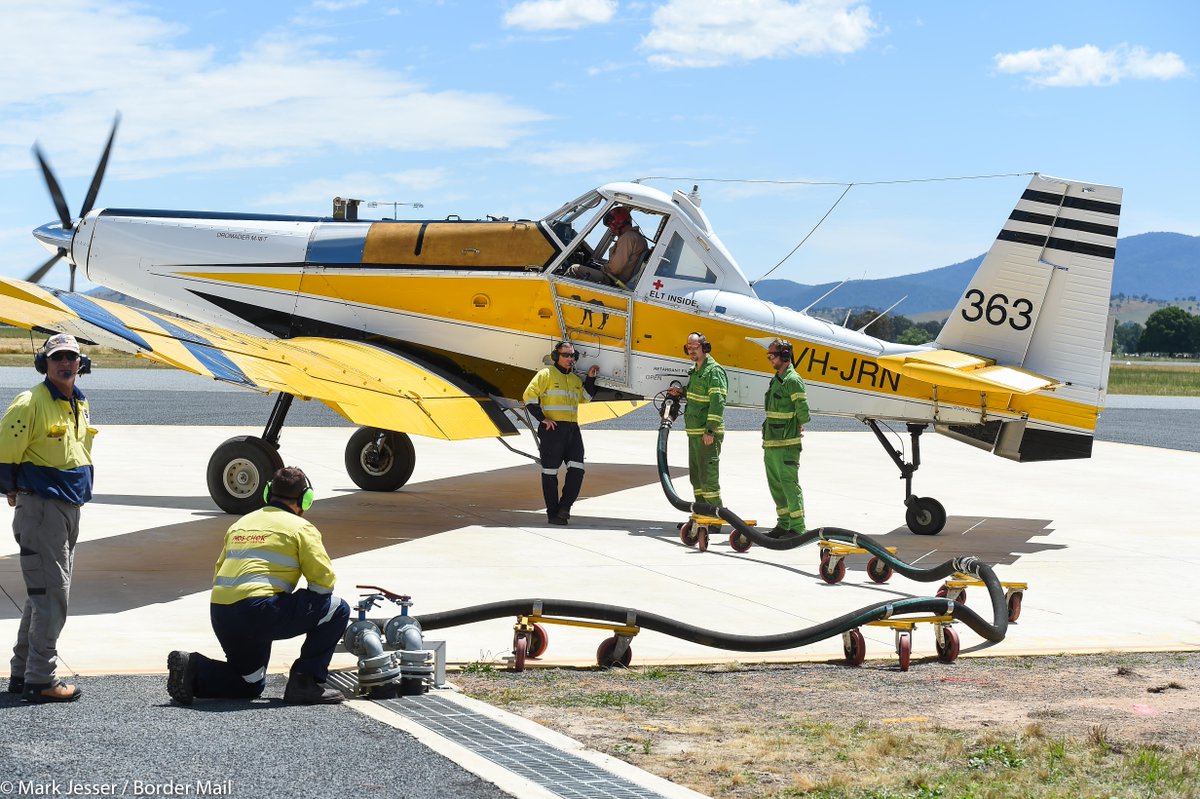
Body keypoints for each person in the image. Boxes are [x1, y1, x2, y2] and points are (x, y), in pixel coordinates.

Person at [166, 466, 351, 706]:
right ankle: (305, 682)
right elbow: (324, 582)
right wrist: (299, 609)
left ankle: (194, 669)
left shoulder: (241, 524)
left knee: (249, 684)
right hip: (260, 610)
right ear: (306, 499)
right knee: (337, 609)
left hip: (222, 612)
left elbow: (219, 568)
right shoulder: (301, 528)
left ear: (267, 493)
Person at [2, 333, 95, 703]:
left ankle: (23, 670)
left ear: (81, 363)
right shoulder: (30, 402)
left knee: (42, 594)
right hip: (42, 508)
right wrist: (12, 487)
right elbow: (4, 452)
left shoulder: (79, 402)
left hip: (69, 507)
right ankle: (42, 679)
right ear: (44, 363)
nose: (65, 363)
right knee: (52, 595)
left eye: (71, 357)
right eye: (57, 358)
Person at [522, 342, 600, 525]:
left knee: (578, 470)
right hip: (553, 430)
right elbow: (528, 397)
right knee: (549, 473)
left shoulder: (574, 379)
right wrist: (542, 418)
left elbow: (585, 399)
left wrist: (590, 379)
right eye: (566, 355)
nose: (570, 359)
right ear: (556, 356)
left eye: (573, 356)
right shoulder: (545, 374)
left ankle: (565, 508)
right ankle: (553, 514)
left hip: (572, 430)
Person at [669, 332, 728, 512]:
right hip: (694, 434)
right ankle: (702, 514)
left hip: (706, 435)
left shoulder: (714, 371)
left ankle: (716, 517)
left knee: (708, 479)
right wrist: (681, 393)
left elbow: (718, 403)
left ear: (704, 348)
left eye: (695, 347)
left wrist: (710, 431)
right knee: (696, 478)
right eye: (689, 347)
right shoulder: (695, 372)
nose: (691, 350)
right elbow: (697, 396)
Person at [762, 339, 811, 538]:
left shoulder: (793, 380)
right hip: (772, 442)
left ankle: (797, 527)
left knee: (789, 484)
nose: (769, 360)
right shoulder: (777, 379)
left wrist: (796, 425)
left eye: (772, 356)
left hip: (787, 444)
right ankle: (783, 524)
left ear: (784, 356)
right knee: (776, 485)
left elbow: (804, 412)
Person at [568, 206, 647, 288]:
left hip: (614, 280)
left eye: (610, 226)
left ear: (617, 225)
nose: (611, 230)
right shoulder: (636, 237)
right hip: (617, 278)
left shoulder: (628, 237)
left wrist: (601, 268)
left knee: (574, 269)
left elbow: (615, 268)